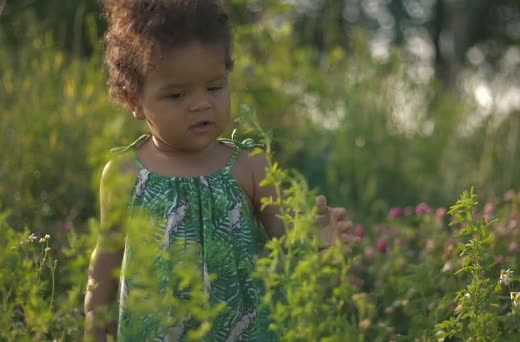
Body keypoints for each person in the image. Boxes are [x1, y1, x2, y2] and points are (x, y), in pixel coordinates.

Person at [83, 1, 360, 341]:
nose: (201, 103)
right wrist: (95, 322)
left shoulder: (249, 167)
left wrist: (318, 242)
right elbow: (107, 262)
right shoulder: (124, 173)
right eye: (176, 94)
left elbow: (286, 245)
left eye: (214, 87)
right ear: (134, 100)